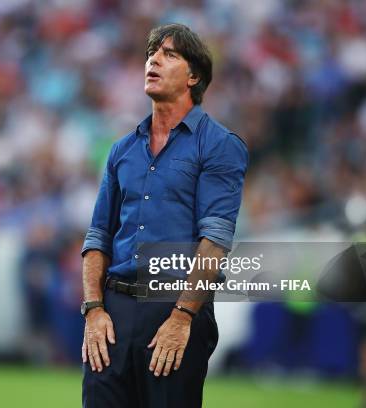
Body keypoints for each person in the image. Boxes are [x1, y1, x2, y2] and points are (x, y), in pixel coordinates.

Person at [80, 24, 248, 407]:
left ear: (193, 76)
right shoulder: (121, 149)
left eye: (169, 54)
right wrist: (93, 309)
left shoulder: (221, 146)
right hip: (113, 312)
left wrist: (182, 318)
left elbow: (215, 241)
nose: (153, 59)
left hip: (174, 306)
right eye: (151, 53)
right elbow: (97, 238)